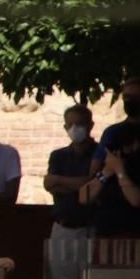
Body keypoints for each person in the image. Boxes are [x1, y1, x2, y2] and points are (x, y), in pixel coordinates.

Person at [85, 123, 140, 242]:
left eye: (137, 145)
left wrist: (120, 172)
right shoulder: (109, 169)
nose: (133, 149)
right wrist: (106, 173)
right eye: (128, 145)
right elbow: (84, 196)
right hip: (105, 236)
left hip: (138, 237)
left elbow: (137, 200)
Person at [44, 104, 97, 267]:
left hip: (90, 229)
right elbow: (49, 184)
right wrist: (82, 183)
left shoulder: (99, 153)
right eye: (70, 124)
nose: (75, 128)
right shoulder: (58, 156)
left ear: (90, 125)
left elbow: (92, 185)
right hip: (62, 228)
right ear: (65, 127)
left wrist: (60, 180)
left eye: (80, 124)